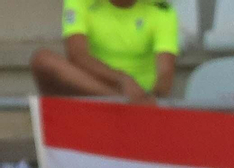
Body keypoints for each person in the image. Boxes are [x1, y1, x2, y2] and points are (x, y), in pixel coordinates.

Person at [30, 0, 178, 102]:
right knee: (42, 60)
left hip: (141, 97)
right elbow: (77, 55)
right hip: (92, 91)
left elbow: (165, 72)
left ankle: (126, 103)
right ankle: (120, 101)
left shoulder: (161, 9)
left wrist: (154, 98)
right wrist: (121, 80)